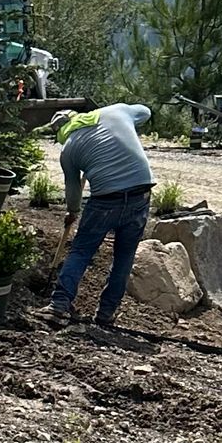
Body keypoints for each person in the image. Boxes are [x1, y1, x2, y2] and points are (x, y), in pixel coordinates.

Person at [48, 102, 154, 332]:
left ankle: (58, 305)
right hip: (140, 193)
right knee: (124, 256)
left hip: (105, 200)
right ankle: (106, 314)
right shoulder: (114, 111)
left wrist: (72, 211)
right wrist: (126, 123)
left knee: (81, 251)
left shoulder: (69, 149)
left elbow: (73, 188)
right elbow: (145, 112)